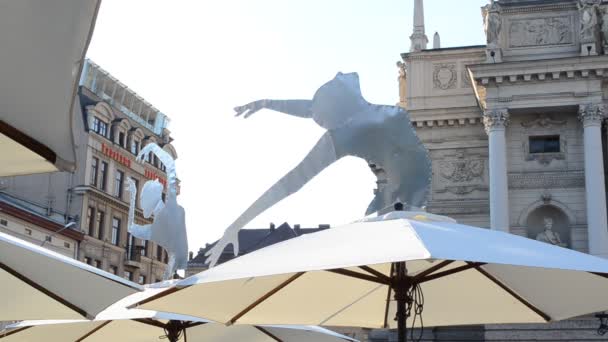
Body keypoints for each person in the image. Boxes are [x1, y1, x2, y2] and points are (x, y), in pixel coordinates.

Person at [204, 72, 432, 267]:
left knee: (367, 247)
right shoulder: (369, 110)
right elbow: (312, 107)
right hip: (413, 183)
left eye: (320, 119)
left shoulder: (344, 135)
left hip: (403, 194)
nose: (316, 119)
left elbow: (290, 182)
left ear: (332, 117)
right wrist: (266, 103)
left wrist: (236, 224)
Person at [127, 143, 188, 280]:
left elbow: (171, 165)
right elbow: (131, 227)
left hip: (176, 259)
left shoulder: (169, 206)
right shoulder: (153, 229)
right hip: (173, 262)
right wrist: (132, 196)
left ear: (151, 197)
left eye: (142, 198)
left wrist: (152, 147)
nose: (141, 203)